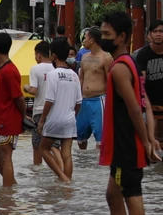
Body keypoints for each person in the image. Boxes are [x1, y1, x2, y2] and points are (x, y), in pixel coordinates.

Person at [99, 11, 159, 215]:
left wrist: (146, 141)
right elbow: (146, 102)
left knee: (132, 196)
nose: (102, 38)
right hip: (128, 143)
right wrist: (151, 136)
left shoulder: (119, 69)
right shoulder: (130, 63)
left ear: (122, 37)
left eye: (107, 34)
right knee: (113, 195)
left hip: (126, 144)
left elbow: (136, 108)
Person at [37, 38, 82, 183]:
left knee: (43, 149)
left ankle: (63, 178)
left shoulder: (52, 75)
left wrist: (42, 120)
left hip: (54, 119)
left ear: (53, 55)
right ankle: (68, 183)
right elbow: (79, 102)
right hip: (69, 119)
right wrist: (73, 115)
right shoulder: (74, 75)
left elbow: (50, 100)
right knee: (67, 154)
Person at [0, 32, 24, 186]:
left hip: (8, 120)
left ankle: (8, 194)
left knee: (5, 156)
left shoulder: (10, 71)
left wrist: (23, 116)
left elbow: (19, 97)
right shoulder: (1, 68)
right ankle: (11, 184)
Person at [76, 27, 112, 150]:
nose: (83, 41)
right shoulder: (84, 57)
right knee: (80, 138)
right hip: (84, 101)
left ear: (91, 40)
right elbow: (81, 78)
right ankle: (85, 166)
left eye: (85, 38)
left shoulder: (106, 58)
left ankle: (100, 167)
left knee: (100, 140)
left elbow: (110, 81)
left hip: (99, 100)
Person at [24, 40, 59, 167]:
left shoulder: (35, 69)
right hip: (55, 112)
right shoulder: (56, 68)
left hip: (39, 111)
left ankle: (37, 172)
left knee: (37, 145)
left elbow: (34, 90)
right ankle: (58, 170)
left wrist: (26, 87)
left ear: (39, 55)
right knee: (54, 145)